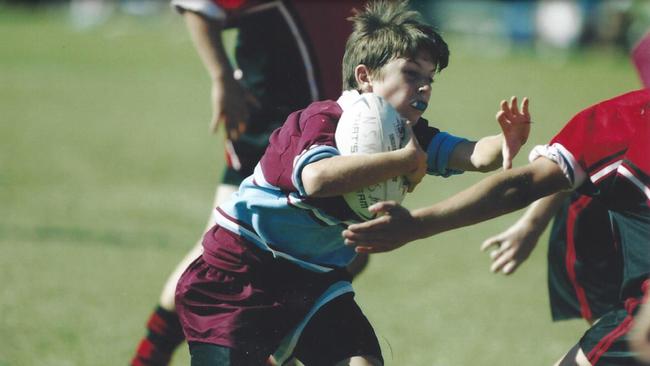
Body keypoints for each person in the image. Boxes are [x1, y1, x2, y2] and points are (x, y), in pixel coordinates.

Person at [173, 1, 532, 364]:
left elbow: (471, 154)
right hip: (239, 273)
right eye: (411, 73)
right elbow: (316, 180)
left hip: (313, 280)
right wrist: (403, 161)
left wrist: (505, 142)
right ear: (365, 76)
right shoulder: (322, 119)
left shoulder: (408, 133)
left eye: (429, 79)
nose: (423, 88)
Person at [129, 1, 366, 365]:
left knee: (352, 250)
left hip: (333, 137)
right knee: (221, 260)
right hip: (274, 132)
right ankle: (151, 357)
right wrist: (221, 76)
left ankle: (266, 346)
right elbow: (200, 5)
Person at [343, 89, 650, 365]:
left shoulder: (625, 119)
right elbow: (529, 180)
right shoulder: (622, 120)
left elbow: (522, 185)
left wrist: (417, 225)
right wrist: (532, 223)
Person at [481, 190, 622, 324]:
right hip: (601, 212)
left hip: (602, 209)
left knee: (616, 330)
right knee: (614, 326)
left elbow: (567, 167)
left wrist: (532, 223)